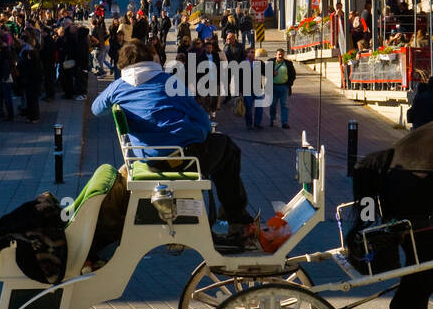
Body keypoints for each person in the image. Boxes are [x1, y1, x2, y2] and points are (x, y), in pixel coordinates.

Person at [92, 40, 256, 243]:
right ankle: (236, 218)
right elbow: (202, 118)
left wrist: (125, 109)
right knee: (227, 149)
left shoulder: (117, 87)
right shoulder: (167, 82)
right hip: (183, 155)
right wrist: (201, 133)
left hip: (148, 158)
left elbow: (96, 109)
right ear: (150, 59)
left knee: (219, 148)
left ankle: (229, 218)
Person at [270, 48, 296, 129]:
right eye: (279, 54)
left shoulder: (288, 63)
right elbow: (264, 72)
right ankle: (273, 119)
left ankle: (284, 122)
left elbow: (293, 75)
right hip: (273, 87)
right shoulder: (270, 62)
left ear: (284, 55)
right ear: (276, 55)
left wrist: (289, 85)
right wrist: (272, 73)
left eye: (282, 54)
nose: (280, 56)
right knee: (273, 104)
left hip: (284, 87)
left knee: (284, 105)